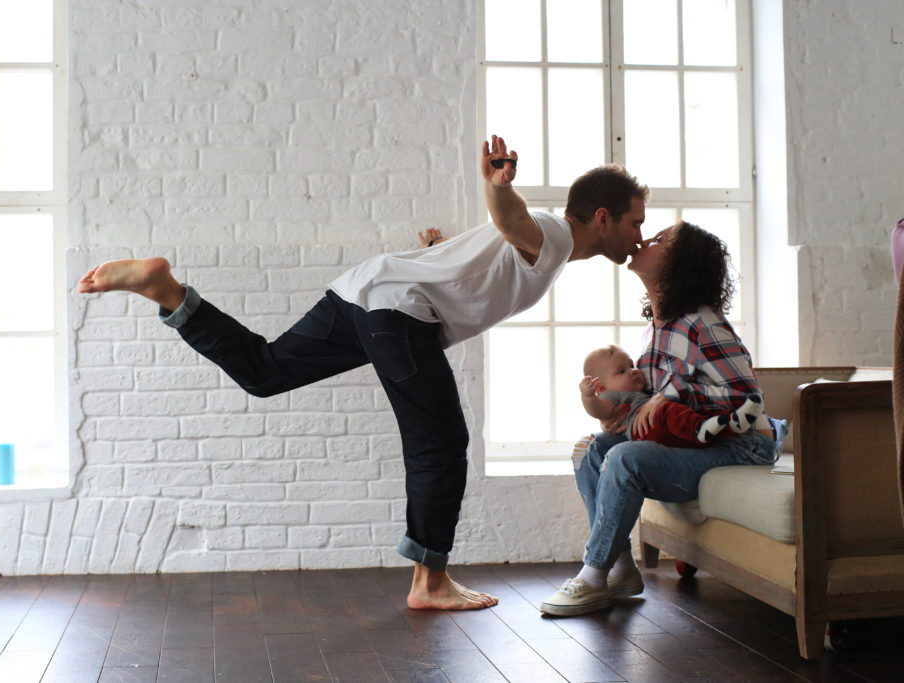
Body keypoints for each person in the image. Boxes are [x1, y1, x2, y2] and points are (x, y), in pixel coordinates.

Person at [78, 135, 649, 611]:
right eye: (634, 222)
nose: (639, 236)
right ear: (602, 218)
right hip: (400, 312)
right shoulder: (553, 237)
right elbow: (513, 219)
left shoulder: (546, 243)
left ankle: (169, 292)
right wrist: (496, 188)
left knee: (266, 371)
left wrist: (434, 248)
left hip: (365, 291)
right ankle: (430, 582)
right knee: (441, 441)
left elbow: (480, 254)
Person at [540, 221, 784, 617]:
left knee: (625, 458)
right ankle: (619, 571)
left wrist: (667, 396)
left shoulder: (704, 324)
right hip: (693, 443)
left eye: (660, 240)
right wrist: (620, 413)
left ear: (679, 264)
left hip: (742, 446)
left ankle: (591, 575)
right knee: (590, 449)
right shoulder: (655, 330)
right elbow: (654, 405)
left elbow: (747, 398)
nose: (645, 238)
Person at [580, 344, 764, 447]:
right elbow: (600, 411)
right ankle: (700, 428)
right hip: (644, 430)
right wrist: (589, 398)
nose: (633, 371)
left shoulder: (642, 389)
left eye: (632, 365)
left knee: (685, 412)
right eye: (621, 371)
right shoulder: (612, 395)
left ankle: (731, 424)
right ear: (601, 387)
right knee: (667, 410)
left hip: (661, 428)